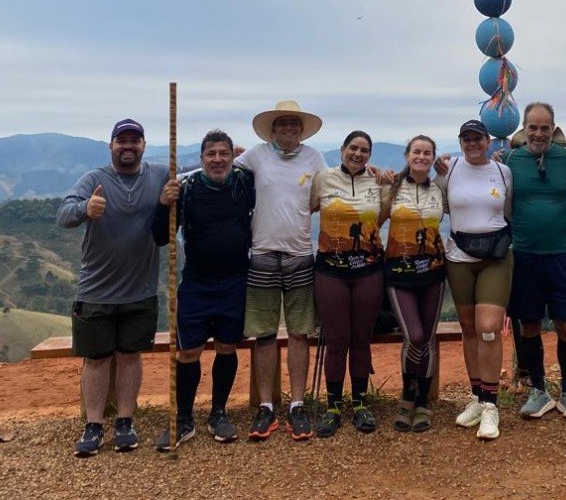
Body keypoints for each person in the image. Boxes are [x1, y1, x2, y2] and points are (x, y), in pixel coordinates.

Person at [57, 119, 169, 457]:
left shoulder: (159, 174)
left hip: (140, 290)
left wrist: (237, 157)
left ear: (144, 145)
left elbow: (197, 171)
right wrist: (85, 208)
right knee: (96, 359)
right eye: (122, 140)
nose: (128, 146)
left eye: (135, 140)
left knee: (130, 356)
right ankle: (93, 424)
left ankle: (125, 420)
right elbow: (63, 215)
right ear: (111, 146)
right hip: (95, 291)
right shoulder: (94, 179)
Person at [152, 130, 255, 451]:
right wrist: (162, 205)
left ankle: (218, 413)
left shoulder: (244, 183)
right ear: (201, 159)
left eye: (224, 153)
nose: (218, 159)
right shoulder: (187, 190)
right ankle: (183, 419)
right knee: (188, 352)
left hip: (235, 281)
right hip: (197, 283)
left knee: (226, 347)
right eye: (211, 154)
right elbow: (160, 237)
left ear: (233, 157)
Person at [234, 100, 327, 441]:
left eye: (294, 123)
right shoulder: (256, 155)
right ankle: (266, 406)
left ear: (302, 129)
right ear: (272, 129)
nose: (289, 127)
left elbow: (327, 192)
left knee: (300, 332)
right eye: (283, 123)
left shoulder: (314, 158)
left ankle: (297, 405)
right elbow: (226, 168)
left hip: (300, 253)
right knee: (265, 334)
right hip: (262, 252)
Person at [495, 103, 566, 420]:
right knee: (529, 324)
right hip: (524, 254)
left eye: (544, 128)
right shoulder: (509, 160)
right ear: (524, 128)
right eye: (532, 127)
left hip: (561, 253)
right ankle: (538, 389)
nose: (538, 133)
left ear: (553, 129)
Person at [435, 120, 513, 440]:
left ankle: (491, 405)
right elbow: (437, 206)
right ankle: (478, 397)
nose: (472, 143)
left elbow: (509, 210)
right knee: (469, 329)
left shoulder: (503, 172)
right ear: (460, 142)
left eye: (477, 138)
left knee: (489, 327)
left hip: (496, 257)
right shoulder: (449, 170)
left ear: (488, 140)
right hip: (458, 258)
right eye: (466, 139)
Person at [310, 130, 390, 438]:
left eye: (364, 150)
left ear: (370, 155)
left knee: (360, 338)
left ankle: (359, 404)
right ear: (342, 149)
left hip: (368, 269)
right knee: (337, 339)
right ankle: (333, 406)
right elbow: (304, 207)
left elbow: (381, 219)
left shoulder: (378, 182)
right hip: (330, 269)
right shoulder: (323, 179)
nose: (358, 154)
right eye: (353, 148)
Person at [383, 135, 446, 433]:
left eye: (427, 153)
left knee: (427, 338)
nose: (422, 157)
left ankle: (421, 401)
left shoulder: (439, 188)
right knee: (415, 336)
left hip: (433, 272)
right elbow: (374, 221)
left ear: (433, 158)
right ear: (407, 156)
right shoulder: (391, 187)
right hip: (399, 272)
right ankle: (407, 395)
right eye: (417, 152)